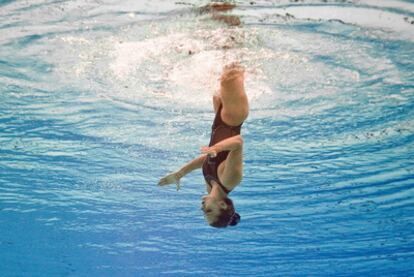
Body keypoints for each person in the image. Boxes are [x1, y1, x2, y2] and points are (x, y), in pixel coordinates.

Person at [158, 62, 249, 228]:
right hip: (233, 118)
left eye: (203, 212)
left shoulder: (211, 187)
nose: (202, 208)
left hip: (220, 120)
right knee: (232, 71)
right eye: (208, 211)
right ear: (222, 205)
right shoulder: (230, 179)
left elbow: (208, 161)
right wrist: (216, 148)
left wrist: (180, 173)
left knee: (218, 80)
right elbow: (238, 143)